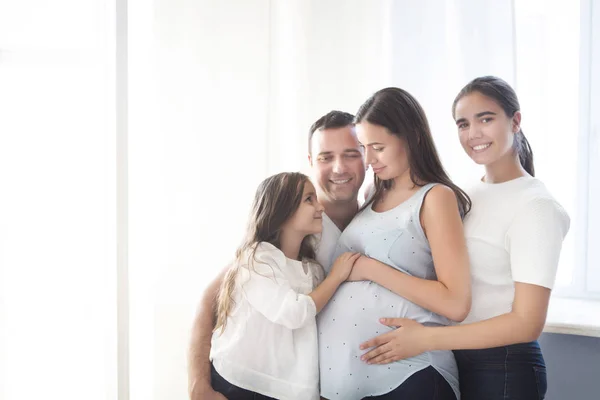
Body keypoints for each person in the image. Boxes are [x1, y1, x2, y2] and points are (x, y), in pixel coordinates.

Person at [358, 76, 570, 400]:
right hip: (457, 360)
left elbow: (527, 323)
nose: (473, 134)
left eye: (486, 119)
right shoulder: (464, 194)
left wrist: (427, 339)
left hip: (503, 369)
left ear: (515, 121)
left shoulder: (536, 207)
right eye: (463, 124)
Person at [188, 111, 366, 400]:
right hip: (247, 383)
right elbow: (209, 302)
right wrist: (199, 386)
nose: (338, 168)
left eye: (350, 154)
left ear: (367, 155)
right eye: (325, 157)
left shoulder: (381, 221)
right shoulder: (267, 251)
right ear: (310, 161)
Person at [317, 87, 471, 400]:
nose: (368, 159)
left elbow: (456, 303)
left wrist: (371, 269)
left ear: (412, 137)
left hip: (409, 375)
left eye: (378, 147)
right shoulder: (373, 195)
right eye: (363, 147)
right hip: (348, 383)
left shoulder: (435, 197)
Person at [209, 171, 360, 399]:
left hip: (283, 390)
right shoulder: (257, 259)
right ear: (282, 210)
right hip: (240, 382)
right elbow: (294, 312)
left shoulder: (312, 270)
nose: (320, 208)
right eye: (309, 199)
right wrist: (336, 277)